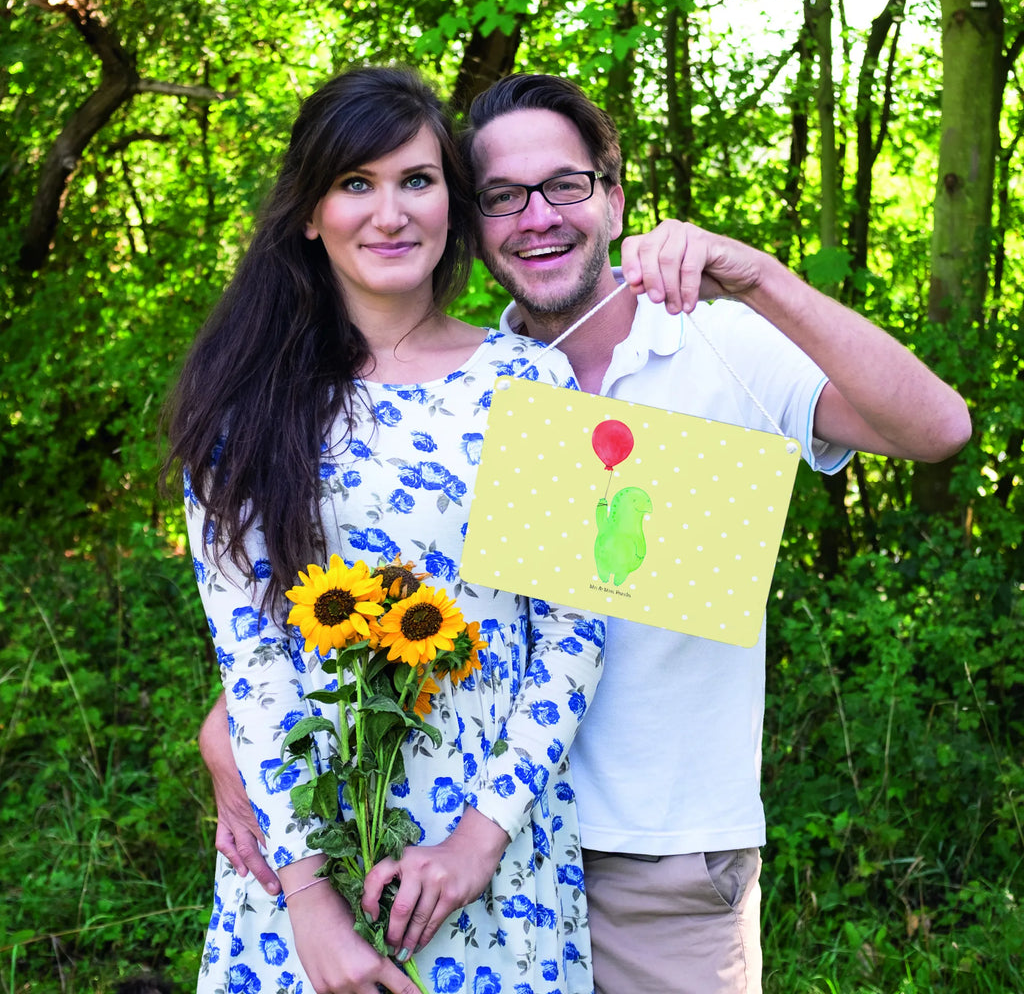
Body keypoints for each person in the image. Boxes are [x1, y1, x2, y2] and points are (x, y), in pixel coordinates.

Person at [202, 72, 972, 994]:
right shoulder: (460, 385)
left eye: (565, 185)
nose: (537, 217)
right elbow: (338, 603)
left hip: (656, 857)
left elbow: (938, 431)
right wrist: (234, 737)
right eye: (501, 197)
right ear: (474, 221)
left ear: (612, 196)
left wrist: (760, 277)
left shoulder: (711, 343)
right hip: (438, 847)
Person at [165, 67, 609, 994]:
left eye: (416, 180)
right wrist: (312, 907)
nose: (390, 212)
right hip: (302, 860)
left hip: (492, 860)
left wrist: (477, 843)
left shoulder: (531, 383)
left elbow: (573, 635)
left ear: (452, 199)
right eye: (355, 184)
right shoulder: (242, 408)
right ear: (309, 214)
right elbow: (252, 663)